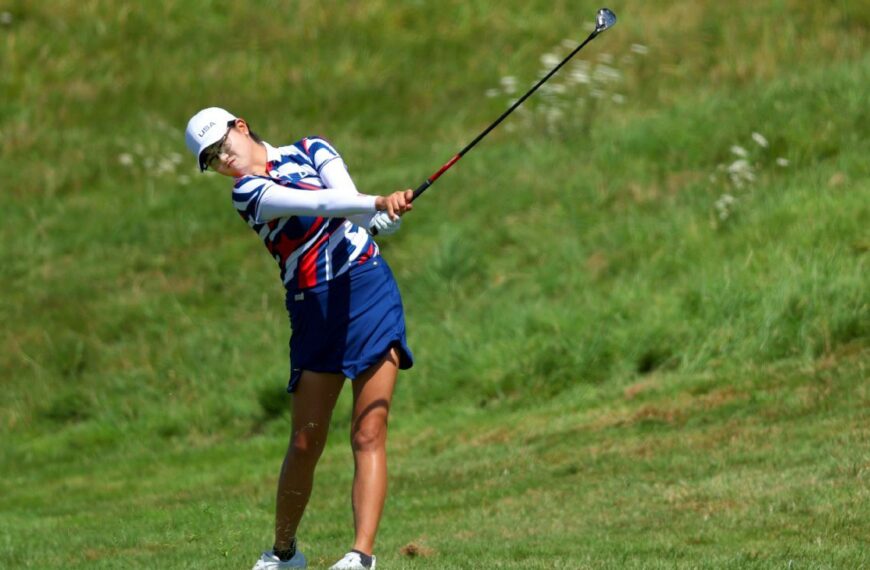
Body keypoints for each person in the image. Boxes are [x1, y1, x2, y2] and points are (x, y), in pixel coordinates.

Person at [184, 107, 414, 570]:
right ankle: (284, 553)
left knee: (369, 431)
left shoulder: (313, 149)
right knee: (306, 441)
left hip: (367, 287)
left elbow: (344, 197)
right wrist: (374, 205)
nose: (224, 160)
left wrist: (375, 220)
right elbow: (318, 205)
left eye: (223, 145)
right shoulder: (247, 194)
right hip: (314, 308)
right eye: (211, 159)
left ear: (242, 127)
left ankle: (360, 555)